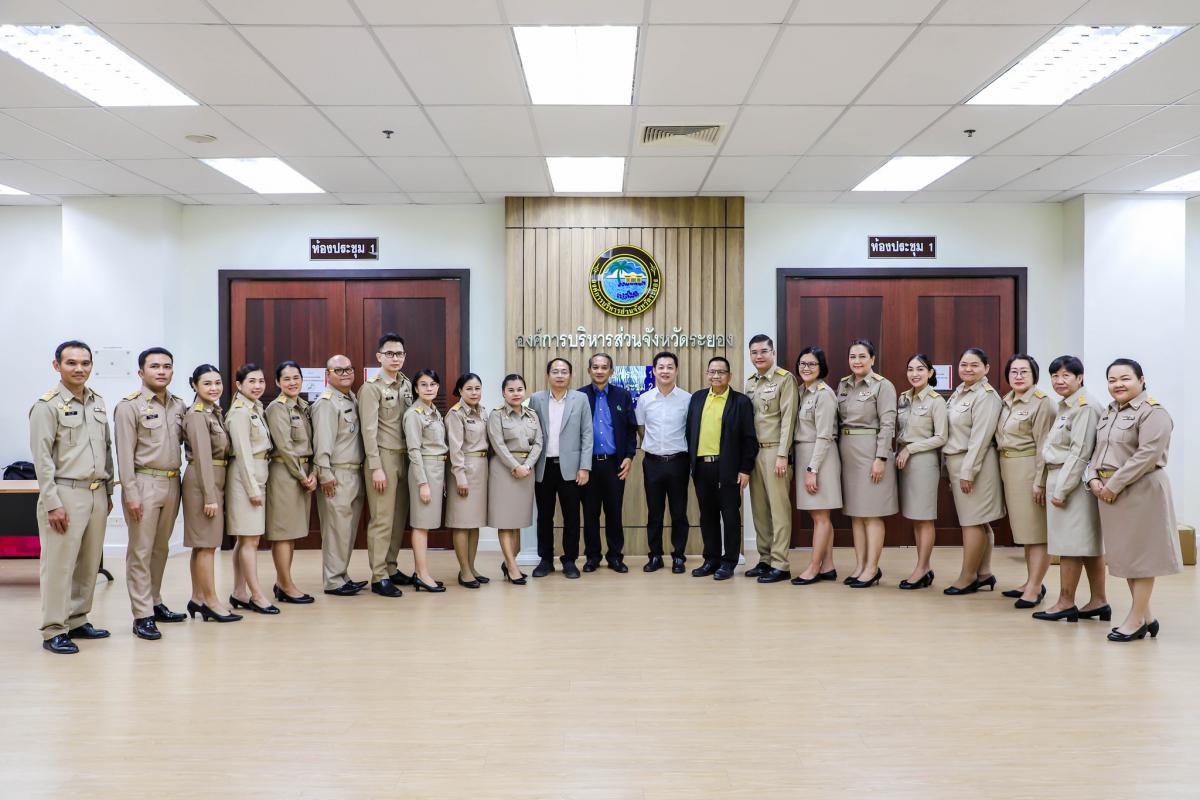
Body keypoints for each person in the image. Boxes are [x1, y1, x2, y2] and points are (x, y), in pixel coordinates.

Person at [1085, 358, 1182, 642]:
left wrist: (1113, 485)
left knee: (1142, 558)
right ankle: (1147, 617)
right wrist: (1093, 478)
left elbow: (1147, 455)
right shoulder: (1109, 412)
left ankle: (1135, 620)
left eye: (1125, 378)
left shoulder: (1154, 413)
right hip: (1110, 492)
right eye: (1112, 380)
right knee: (1129, 558)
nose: (1118, 384)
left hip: (1141, 491)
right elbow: (1097, 450)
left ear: (1141, 380)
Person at [30, 340, 114, 653]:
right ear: (57, 366)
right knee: (59, 565)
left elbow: (107, 449)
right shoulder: (46, 406)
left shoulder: (98, 402)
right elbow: (42, 459)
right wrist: (52, 503)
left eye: (85, 363)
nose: (79, 368)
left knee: (88, 563)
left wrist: (108, 492)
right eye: (71, 363)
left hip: (96, 493)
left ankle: (77, 619)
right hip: (65, 493)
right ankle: (54, 629)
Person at [114, 346, 188, 641]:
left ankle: (155, 602)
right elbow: (124, 454)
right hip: (143, 483)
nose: (161, 371)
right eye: (155, 366)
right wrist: (130, 492)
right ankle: (142, 615)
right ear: (141, 372)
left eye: (167, 366)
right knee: (140, 551)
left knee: (161, 548)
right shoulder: (129, 407)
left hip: (172, 482)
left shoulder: (178, 405)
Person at [1033, 356, 1109, 624]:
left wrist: (1061, 490)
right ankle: (1099, 601)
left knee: (1070, 545)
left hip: (1071, 481)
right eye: (1055, 376)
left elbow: (1080, 453)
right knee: (1086, 544)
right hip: (1065, 477)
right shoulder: (1068, 405)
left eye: (1066, 375)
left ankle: (1066, 602)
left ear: (1080, 377)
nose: (1059, 380)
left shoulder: (1084, 407)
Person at [686, 356, 756, 580]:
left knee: (730, 516)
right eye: (712, 372)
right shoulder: (698, 398)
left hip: (728, 468)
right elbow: (690, 431)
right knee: (707, 516)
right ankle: (711, 559)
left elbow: (749, 438)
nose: (716, 376)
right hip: (701, 467)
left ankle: (729, 562)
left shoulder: (740, 402)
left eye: (721, 372)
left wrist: (745, 469)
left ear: (729, 375)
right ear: (707, 374)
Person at [835, 339, 898, 589]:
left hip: (871, 452)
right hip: (848, 452)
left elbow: (888, 424)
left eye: (862, 356)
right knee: (856, 514)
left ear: (873, 359)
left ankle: (872, 568)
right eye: (853, 356)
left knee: (871, 514)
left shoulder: (883, 386)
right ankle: (860, 565)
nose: (857, 361)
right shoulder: (843, 384)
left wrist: (881, 458)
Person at [996, 354, 1057, 609]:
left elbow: (1045, 445)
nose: (1018, 376)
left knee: (1037, 532)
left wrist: (1039, 480)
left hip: (1029, 469)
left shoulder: (1042, 403)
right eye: (1014, 372)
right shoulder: (1006, 400)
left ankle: (1035, 587)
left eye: (1024, 372)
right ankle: (1030, 581)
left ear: (1034, 375)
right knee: (1025, 531)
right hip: (1009, 468)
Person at [943, 348, 1004, 596]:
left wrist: (968, 472)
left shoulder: (986, 396)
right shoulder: (960, 392)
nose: (968, 369)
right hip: (959, 461)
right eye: (964, 364)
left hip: (975, 464)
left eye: (975, 365)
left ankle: (967, 577)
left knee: (972, 522)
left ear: (986, 368)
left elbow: (980, 438)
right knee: (980, 521)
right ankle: (984, 573)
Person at [181, 364, 240, 623]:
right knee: (206, 545)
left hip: (214, 478)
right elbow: (203, 458)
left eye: (217, 382)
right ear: (194, 385)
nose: (214, 387)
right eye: (207, 383)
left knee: (203, 544)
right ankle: (212, 602)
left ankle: (198, 598)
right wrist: (209, 496)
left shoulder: (214, 411)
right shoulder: (197, 414)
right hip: (203, 481)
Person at [359, 332, 415, 598]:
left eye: (399, 353)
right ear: (379, 356)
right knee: (382, 519)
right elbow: (368, 431)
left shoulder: (406, 384)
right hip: (383, 458)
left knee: (398, 518)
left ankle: (391, 567)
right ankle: (379, 575)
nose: (395, 358)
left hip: (405, 457)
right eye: (390, 353)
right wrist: (376, 467)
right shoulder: (371, 388)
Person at [528, 357, 592, 579]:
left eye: (564, 371)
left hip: (571, 469)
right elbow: (529, 431)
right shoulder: (536, 399)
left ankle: (570, 560)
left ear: (570, 376)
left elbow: (587, 434)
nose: (560, 375)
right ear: (548, 375)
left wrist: (584, 467)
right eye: (555, 371)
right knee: (544, 516)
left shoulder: (580, 399)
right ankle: (546, 559)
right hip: (543, 466)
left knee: (571, 516)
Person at [225, 363, 279, 616]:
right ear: (239, 385)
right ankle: (257, 595)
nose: (258, 386)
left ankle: (239, 591)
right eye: (251, 382)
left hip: (258, 474)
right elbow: (243, 454)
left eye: (261, 381)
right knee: (250, 540)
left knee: (245, 538)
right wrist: (252, 489)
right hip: (246, 479)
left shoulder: (255, 407)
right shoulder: (239, 412)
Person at [744, 334, 798, 583]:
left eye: (764, 351)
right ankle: (765, 559)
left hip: (775, 451)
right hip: (754, 452)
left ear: (773, 353)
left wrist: (782, 455)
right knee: (760, 510)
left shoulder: (785, 379)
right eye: (754, 352)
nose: (759, 356)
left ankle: (780, 563)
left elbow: (788, 420)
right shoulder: (750, 383)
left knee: (779, 510)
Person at [312, 355, 367, 597]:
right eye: (339, 370)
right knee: (336, 531)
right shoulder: (327, 403)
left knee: (347, 531)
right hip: (337, 474)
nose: (345, 373)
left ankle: (342, 575)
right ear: (328, 374)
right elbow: (322, 442)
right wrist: (325, 474)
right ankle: (333, 581)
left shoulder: (351, 398)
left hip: (354, 472)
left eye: (349, 369)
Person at [579, 353, 638, 573]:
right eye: (595, 367)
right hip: (588, 465)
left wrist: (629, 456)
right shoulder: (580, 396)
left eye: (604, 367)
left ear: (611, 371)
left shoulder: (622, 396)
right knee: (590, 514)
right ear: (589, 370)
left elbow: (631, 429)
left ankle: (615, 556)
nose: (599, 371)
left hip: (615, 465)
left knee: (614, 512)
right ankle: (592, 557)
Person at [790, 346, 844, 585]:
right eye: (803, 363)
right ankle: (828, 566)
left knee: (821, 516)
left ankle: (813, 567)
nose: (806, 368)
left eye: (812, 364)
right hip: (806, 455)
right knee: (820, 516)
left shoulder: (824, 394)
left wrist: (813, 469)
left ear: (821, 367)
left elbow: (824, 436)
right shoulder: (802, 391)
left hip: (819, 457)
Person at [264, 360, 316, 605]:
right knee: (283, 533)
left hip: (302, 473)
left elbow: (312, 444)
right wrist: (303, 476)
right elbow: (284, 447)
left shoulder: (304, 406)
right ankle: (286, 586)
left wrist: (313, 472)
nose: (292, 382)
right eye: (286, 379)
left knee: (291, 532)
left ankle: (282, 582)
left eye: (296, 378)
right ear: (277, 382)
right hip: (286, 474)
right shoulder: (277, 408)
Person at [894, 353, 947, 590]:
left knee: (924, 518)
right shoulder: (904, 397)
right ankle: (923, 567)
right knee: (915, 518)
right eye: (910, 369)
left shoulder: (936, 401)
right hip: (904, 461)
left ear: (930, 373)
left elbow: (941, 437)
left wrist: (911, 449)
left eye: (920, 369)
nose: (914, 374)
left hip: (923, 461)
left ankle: (922, 567)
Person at [635, 351, 691, 573]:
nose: (665, 371)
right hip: (652, 463)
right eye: (661, 367)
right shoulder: (645, 399)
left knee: (679, 513)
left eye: (670, 367)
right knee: (654, 513)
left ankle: (679, 557)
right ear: (654, 371)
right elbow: (641, 428)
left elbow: (691, 430)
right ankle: (655, 556)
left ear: (676, 370)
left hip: (679, 462)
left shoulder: (687, 399)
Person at [487, 374, 543, 585]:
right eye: (511, 390)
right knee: (505, 521)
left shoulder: (532, 415)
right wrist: (515, 466)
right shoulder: (496, 415)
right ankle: (512, 567)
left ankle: (509, 562)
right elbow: (498, 444)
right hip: (504, 471)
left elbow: (539, 442)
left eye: (519, 389)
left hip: (526, 471)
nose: (516, 393)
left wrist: (527, 465)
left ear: (524, 391)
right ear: (504, 392)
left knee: (518, 521)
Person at [404, 369, 449, 593]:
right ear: (416, 388)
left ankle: (419, 572)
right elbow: (414, 450)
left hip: (437, 470)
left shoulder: (434, 412)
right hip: (424, 471)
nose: (429, 388)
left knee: (427, 523)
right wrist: (423, 483)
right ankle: (422, 575)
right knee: (421, 524)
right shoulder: (414, 413)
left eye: (432, 384)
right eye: (423, 384)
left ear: (438, 387)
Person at [446, 373, 490, 588]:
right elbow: (455, 449)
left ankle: (472, 567)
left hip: (482, 470)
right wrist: (460, 477)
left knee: (474, 524)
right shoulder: (455, 414)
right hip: (464, 471)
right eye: (469, 389)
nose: (474, 392)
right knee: (462, 523)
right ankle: (464, 571)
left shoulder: (483, 411)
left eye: (477, 388)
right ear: (460, 391)